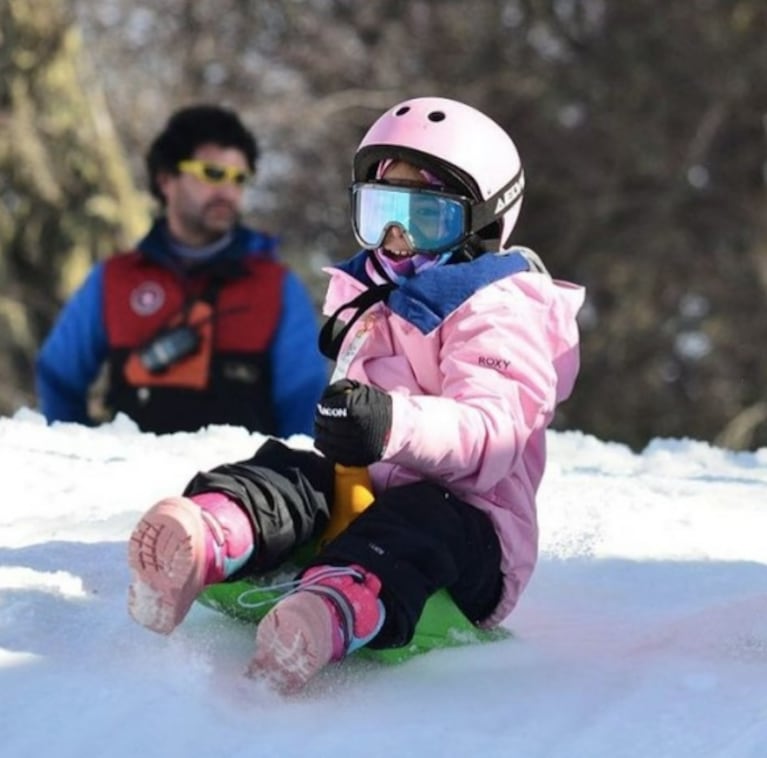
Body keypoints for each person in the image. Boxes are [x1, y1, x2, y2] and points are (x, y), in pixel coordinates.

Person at [126, 96, 585, 693]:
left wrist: (392, 423)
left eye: (424, 218)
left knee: (417, 523)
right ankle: (209, 535)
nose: (395, 238)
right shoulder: (369, 288)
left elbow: (496, 434)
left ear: (483, 222)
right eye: (381, 212)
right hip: (364, 493)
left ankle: (330, 612)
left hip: (473, 538)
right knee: (288, 473)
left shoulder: (500, 308)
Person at [36, 104, 326, 436]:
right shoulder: (116, 279)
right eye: (212, 174)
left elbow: (304, 407)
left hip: (241, 484)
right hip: (128, 480)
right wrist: (81, 454)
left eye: (239, 179)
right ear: (165, 179)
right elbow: (58, 375)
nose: (227, 191)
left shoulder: (276, 287)